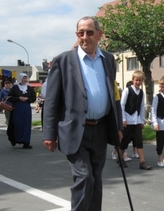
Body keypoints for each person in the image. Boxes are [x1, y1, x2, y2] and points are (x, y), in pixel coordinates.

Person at [42, 16, 123, 211]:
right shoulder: (63, 61)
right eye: (80, 33)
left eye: (89, 32)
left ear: (99, 35)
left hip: (101, 128)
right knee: (85, 177)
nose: (84, 37)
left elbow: (114, 96)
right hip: (75, 129)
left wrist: (118, 125)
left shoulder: (109, 59)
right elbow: (52, 100)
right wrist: (49, 134)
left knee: (96, 179)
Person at [118, 70, 151, 170]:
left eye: (140, 80)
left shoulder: (141, 93)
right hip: (128, 120)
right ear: (133, 80)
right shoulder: (127, 90)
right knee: (125, 140)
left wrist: (142, 121)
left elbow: (141, 108)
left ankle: (142, 162)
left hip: (136, 120)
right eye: (136, 80)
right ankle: (120, 158)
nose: (138, 82)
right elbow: (122, 105)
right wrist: (123, 119)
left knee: (139, 141)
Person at [7, 73, 36, 149]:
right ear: (20, 79)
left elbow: (33, 98)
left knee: (26, 124)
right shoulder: (15, 87)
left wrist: (27, 99)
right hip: (17, 107)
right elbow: (9, 97)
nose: (25, 80)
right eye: (24, 78)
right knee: (18, 124)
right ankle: (16, 139)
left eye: (26, 78)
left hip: (26, 108)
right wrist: (18, 98)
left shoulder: (29, 88)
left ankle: (26, 142)